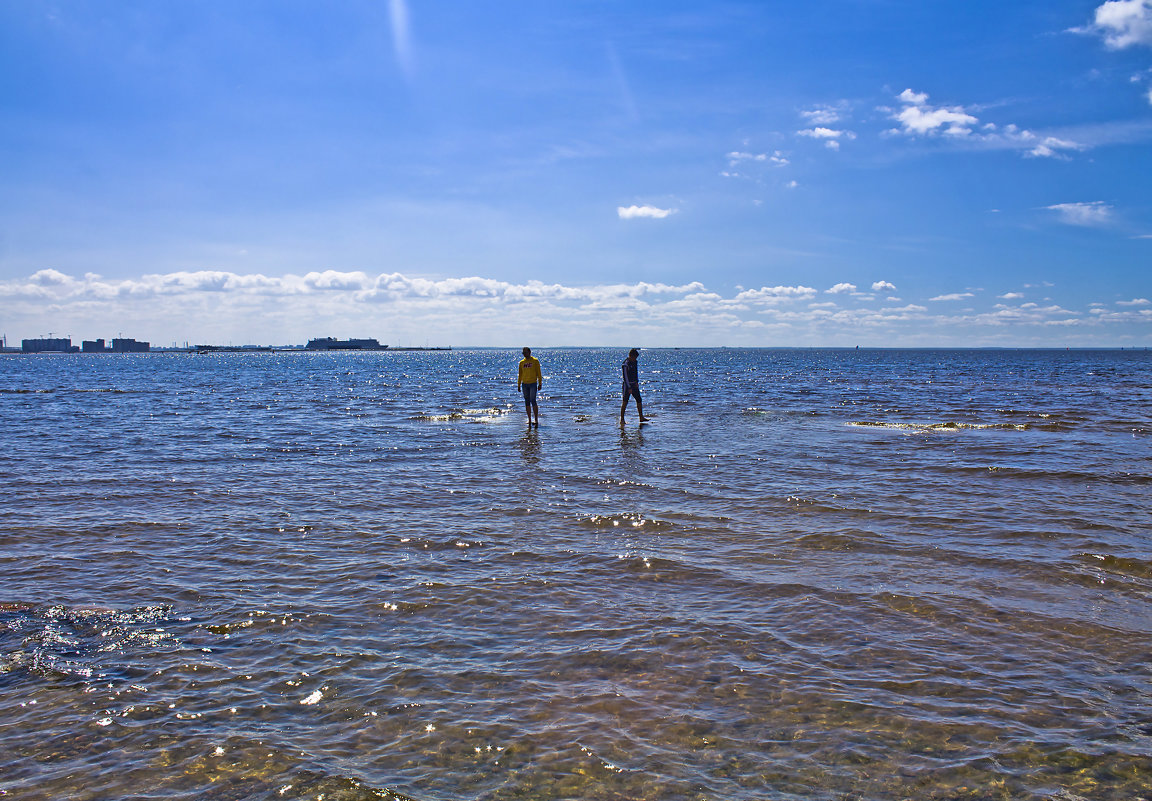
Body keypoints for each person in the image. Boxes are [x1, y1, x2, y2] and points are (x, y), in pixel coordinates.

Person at [620, 348, 649, 424]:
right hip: (627, 385)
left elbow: (635, 373)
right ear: (630, 356)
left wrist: (637, 382)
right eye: (634, 357)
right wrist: (629, 387)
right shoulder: (625, 364)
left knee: (639, 400)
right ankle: (622, 419)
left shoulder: (635, 362)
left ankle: (641, 417)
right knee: (625, 402)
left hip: (634, 384)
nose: (635, 359)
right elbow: (625, 377)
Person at [517, 346, 542, 427]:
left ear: (529, 352)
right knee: (527, 402)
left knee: (533, 400)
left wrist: (540, 383)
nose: (524, 354)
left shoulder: (535, 361)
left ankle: (536, 419)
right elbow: (520, 375)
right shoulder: (521, 363)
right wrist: (519, 385)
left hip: (533, 383)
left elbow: (539, 373)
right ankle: (529, 419)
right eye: (523, 353)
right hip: (524, 384)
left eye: (525, 352)